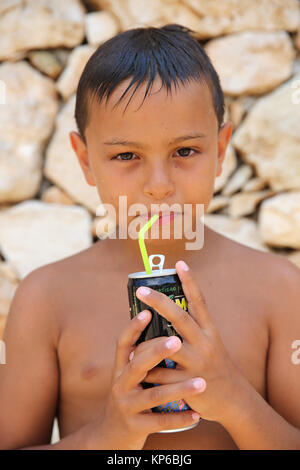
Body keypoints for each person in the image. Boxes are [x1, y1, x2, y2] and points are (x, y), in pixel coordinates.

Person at [0, 24, 299, 450]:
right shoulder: (46, 298)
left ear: (220, 150)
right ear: (85, 161)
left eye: (184, 152)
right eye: (126, 156)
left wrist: (235, 401)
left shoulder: (279, 288)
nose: (158, 185)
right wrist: (108, 436)